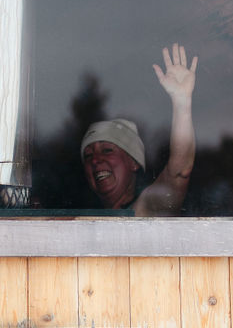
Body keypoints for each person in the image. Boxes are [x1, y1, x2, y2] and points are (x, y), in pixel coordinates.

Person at [81, 43, 197, 215]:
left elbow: (180, 170)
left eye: (107, 150)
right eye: (88, 155)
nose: (95, 160)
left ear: (134, 162)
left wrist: (182, 104)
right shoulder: (83, 220)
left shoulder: (146, 209)